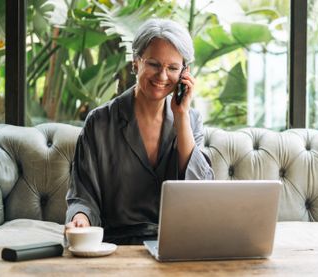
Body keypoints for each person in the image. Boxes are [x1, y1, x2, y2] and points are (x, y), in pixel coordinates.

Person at [65, 18, 214, 244]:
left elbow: (202, 196)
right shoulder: (99, 122)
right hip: (118, 243)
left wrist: (181, 117)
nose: (162, 76)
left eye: (173, 68)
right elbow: (82, 196)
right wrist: (81, 218)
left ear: (185, 73)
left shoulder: (190, 120)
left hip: (177, 242)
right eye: (154, 64)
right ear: (136, 62)